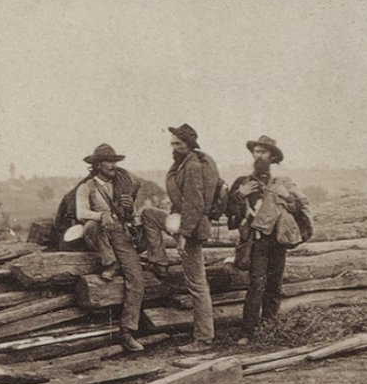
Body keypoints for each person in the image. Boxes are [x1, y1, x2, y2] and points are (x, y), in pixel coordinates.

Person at [226, 135, 313, 345]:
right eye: (256, 151)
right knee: (256, 284)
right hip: (256, 241)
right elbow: (229, 212)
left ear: (272, 157)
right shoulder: (243, 182)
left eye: (264, 152)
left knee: (275, 285)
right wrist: (239, 194)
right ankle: (247, 331)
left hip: (278, 240)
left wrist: (286, 198)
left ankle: (270, 326)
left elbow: (297, 209)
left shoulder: (283, 182)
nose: (259, 155)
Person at [141, 124, 218, 354]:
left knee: (197, 284)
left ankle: (204, 338)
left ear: (189, 144)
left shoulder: (193, 165)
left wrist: (183, 235)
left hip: (192, 228)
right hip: (181, 220)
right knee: (148, 214)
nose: (173, 147)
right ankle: (159, 260)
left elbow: (195, 203)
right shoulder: (182, 163)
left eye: (178, 144)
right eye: (172, 143)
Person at [76, 143, 145, 352]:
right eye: (108, 161)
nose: (113, 165)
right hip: (100, 234)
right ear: (97, 165)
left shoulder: (122, 184)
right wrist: (101, 215)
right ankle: (110, 262)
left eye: (115, 161)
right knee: (90, 225)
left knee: (137, 278)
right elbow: (81, 213)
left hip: (120, 233)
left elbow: (130, 217)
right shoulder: (86, 187)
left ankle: (127, 330)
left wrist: (129, 208)